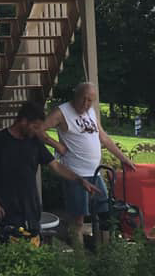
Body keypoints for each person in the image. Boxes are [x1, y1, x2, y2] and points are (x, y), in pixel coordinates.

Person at [40, 82, 136, 236]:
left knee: (105, 214)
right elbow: (39, 130)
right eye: (83, 99)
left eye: (90, 100)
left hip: (95, 173)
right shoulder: (61, 112)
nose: (85, 104)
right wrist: (56, 145)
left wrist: (123, 158)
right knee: (78, 219)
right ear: (75, 95)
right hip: (75, 173)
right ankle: (80, 258)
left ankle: (103, 252)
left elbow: (103, 137)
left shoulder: (91, 111)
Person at [0, 102, 92, 235]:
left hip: (30, 207)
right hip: (6, 207)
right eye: (34, 127)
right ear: (23, 121)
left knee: (33, 244)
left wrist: (79, 179)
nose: (37, 131)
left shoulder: (34, 141)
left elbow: (55, 166)